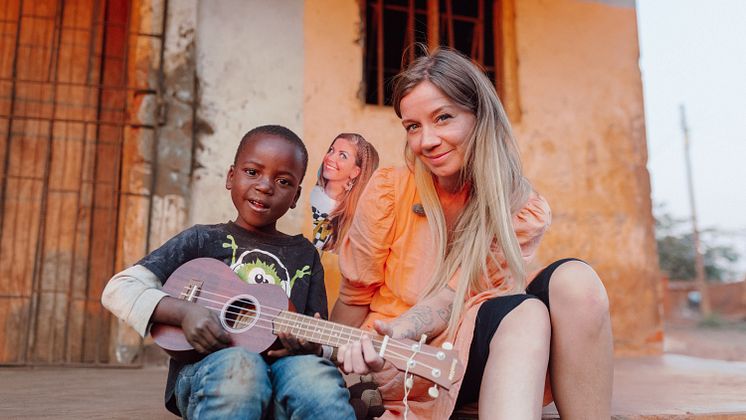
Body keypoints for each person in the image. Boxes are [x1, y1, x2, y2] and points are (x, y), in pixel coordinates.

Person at [331, 49, 613, 419]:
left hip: (477, 353)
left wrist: (403, 326)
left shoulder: (518, 206)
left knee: (578, 283)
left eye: (443, 118)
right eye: (413, 126)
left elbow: (453, 298)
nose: (426, 141)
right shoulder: (389, 191)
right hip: (402, 362)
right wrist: (329, 365)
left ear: (480, 117)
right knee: (526, 313)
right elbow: (354, 297)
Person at [102, 125, 356, 420]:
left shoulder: (305, 255)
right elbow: (119, 288)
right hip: (211, 374)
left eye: (283, 181)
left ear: (296, 196)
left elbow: (319, 330)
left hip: (286, 376)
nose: (265, 186)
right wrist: (183, 312)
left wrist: (312, 346)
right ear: (230, 176)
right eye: (252, 172)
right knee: (242, 368)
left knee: (317, 381)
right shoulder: (201, 240)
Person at [310, 133, 379, 311]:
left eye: (342, 155)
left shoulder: (354, 219)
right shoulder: (312, 196)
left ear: (355, 172)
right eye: (331, 150)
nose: (330, 158)